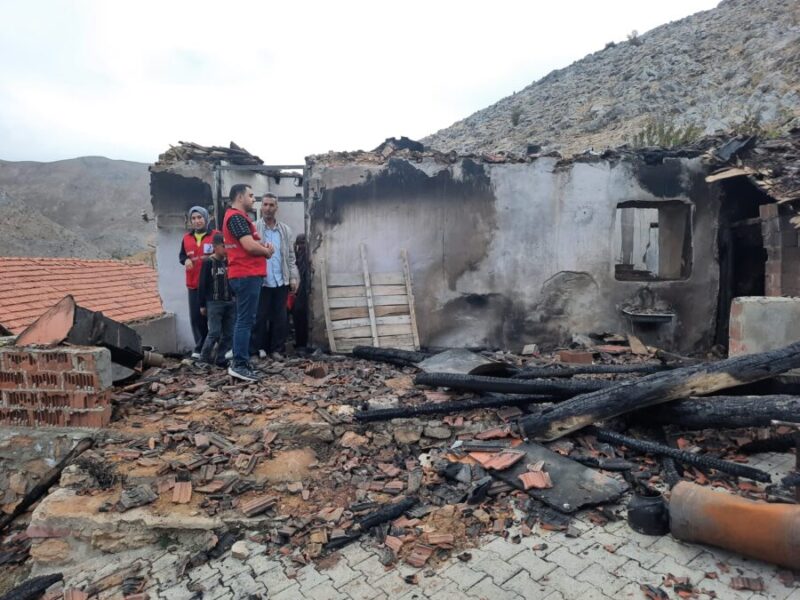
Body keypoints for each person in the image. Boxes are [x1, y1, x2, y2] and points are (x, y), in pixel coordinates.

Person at [222, 184, 274, 382]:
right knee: (245, 320)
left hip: (246, 274)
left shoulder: (239, 219)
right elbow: (248, 246)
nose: (254, 199)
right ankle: (239, 364)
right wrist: (266, 251)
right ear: (239, 196)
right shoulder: (236, 217)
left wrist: (261, 247)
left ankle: (240, 358)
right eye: (250, 195)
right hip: (245, 274)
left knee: (245, 319)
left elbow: (251, 244)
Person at [252, 193, 298, 359]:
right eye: (265, 205)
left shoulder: (285, 230)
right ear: (261, 206)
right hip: (261, 281)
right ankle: (258, 349)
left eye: (271, 205)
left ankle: (277, 350)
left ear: (276, 208)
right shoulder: (254, 228)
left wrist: (293, 278)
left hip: (281, 281)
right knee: (259, 318)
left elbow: (290, 257)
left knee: (280, 318)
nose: (268, 209)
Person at [179, 206, 218, 358]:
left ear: (206, 218)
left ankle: (219, 349)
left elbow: (224, 254)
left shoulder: (216, 235)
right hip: (193, 284)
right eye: (193, 218)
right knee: (196, 318)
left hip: (212, 284)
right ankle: (200, 347)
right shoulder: (186, 239)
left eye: (199, 217)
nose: (197, 221)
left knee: (214, 316)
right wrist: (186, 260)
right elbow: (181, 256)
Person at [197, 234, 235, 367]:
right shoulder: (208, 262)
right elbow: (202, 284)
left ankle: (220, 358)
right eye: (223, 246)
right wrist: (202, 304)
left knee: (229, 333)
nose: (226, 249)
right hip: (214, 302)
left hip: (230, 301)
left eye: (228, 246)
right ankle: (203, 358)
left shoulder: (229, 261)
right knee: (214, 332)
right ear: (215, 246)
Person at [291, 233, 311, 353]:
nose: (301, 246)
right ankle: (300, 343)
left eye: (303, 243)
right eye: (299, 243)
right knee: (298, 315)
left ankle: (301, 343)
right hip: (296, 289)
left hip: (303, 289)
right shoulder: (295, 257)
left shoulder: (305, 257)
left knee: (300, 315)